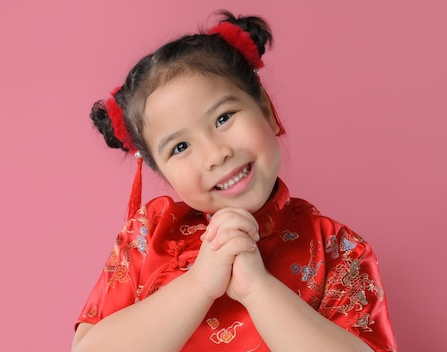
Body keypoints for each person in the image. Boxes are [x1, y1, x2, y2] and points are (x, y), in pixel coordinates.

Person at [72, 10, 397, 352]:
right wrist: (199, 284)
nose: (215, 154)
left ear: (268, 112)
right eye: (180, 147)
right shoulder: (151, 233)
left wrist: (257, 289)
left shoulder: (336, 247)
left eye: (223, 117)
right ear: (162, 173)